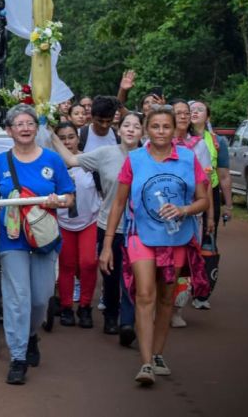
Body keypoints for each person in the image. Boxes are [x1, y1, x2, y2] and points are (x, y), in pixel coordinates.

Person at [100, 106, 210, 386]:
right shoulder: (135, 159)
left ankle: (159, 354)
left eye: (166, 127)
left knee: (166, 297)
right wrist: (108, 244)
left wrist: (183, 209)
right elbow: (119, 203)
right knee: (145, 294)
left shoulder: (188, 158)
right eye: (155, 126)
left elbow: (203, 200)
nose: (161, 132)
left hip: (177, 238)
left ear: (175, 130)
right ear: (146, 129)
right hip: (140, 234)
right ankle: (146, 362)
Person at [0, 105, 75, 385]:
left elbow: (69, 196)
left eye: (29, 123)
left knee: (40, 299)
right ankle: (18, 357)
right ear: (9, 130)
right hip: (11, 240)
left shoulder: (52, 159)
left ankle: (31, 334)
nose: (25, 128)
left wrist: (58, 201)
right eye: (19, 124)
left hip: (43, 238)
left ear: (37, 128)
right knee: (17, 298)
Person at [51, 111, 145, 344]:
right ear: (118, 130)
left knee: (134, 276)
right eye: (127, 125)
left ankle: (128, 322)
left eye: (136, 126)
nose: (131, 130)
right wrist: (49, 132)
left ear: (143, 132)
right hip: (109, 224)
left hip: (141, 227)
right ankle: (111, 316)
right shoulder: (105, 153)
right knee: (111, 275)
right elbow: (72, 160)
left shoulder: (150, 155)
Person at [52, 123, 101, 328]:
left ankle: (85, 306)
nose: (67, 142)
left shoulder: (89, 162)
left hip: (89, 221)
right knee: (67, 265)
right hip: (64, 223)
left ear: (78, 139)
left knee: (88, 263)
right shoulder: (52, 164)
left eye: (71, 137)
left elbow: (103, 190)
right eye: (62, 138)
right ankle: (66, 307)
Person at [170, 99, 214, 327]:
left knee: (185, 262)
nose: (183, 116)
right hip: (160, 214)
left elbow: (206, 184)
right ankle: (158, 305)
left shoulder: (199, 146)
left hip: (190, 214)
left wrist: (210, 215)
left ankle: (176, 309)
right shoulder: (155, 143)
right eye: (178, 112)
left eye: (186, 113)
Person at [189, 100, 232, 309]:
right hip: (186, 194)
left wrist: (228, 206)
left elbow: (223, 176)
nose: (195, 112)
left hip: (209, 193)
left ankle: (202, 292)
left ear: (208, 116)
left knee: (208, 239)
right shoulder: (180, 137)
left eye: (200, 110)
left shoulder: (217, 141)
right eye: (191, 109)